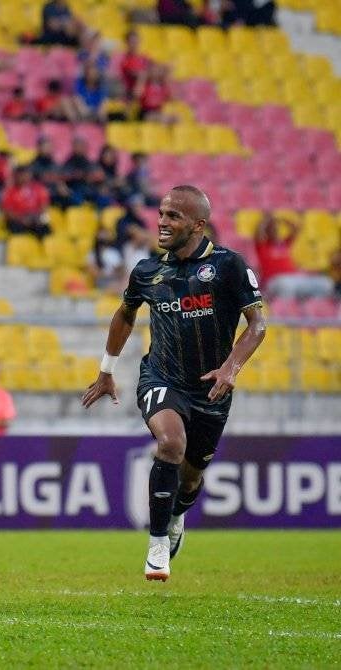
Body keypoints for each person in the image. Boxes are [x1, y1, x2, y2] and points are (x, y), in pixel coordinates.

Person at [82, 185, 266, 582]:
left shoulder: (228, 266)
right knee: (169, 443)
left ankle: (178, 513)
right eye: (162, 214)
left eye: (173, 216)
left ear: (198, 225)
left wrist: (230, 368)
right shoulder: (149, 271)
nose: (162, 222)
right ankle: (157, 544)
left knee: (193, 475)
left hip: (212, 387)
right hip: (161, 377)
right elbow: (125, 313)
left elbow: (258, 325)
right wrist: (106, 369)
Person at [254, 214, 334, 299]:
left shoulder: (284, 244)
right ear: (266, 232)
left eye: (277, 230)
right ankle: (286, 308)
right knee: (285, 284)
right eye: (272, 230)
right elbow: (258, 232)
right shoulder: (262, 246)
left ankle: (315, 308)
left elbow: (296, 229)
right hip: (275, 280)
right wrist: (267, 220)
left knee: (326, 283)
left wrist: (282, 219)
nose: (276, 232)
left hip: (294, 278)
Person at [1, 166, 51, 238]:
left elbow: (44, 206)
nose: (24, 178)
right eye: (21, 176)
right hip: (18, 220)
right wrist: (22, 219)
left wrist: (34, 217)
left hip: (33, 217)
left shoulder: (38, 188)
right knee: (15, 228)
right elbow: (8, 212)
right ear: (15, 176)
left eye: (26, 175)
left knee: (45, 228)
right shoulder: (9, 192)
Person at [86, 228, 125, 292]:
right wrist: (108, 273)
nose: (102, 242)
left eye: (104, 240)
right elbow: (94, 273)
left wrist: (116, 272)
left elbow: (121, 271)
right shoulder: (92, 254)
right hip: (100, 282)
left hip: (115, 280)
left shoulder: (113, 252)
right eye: (100, 240)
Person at [119, 31, 150, 101]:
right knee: (142, 75)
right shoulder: (124, 58)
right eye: (132, 42)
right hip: (128, 91)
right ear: (126, 43)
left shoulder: (144, 57)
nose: (134, 44)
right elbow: (130, 73)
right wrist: (144, 74)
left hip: (143, 90)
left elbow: (152, 71)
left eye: (136, 42)